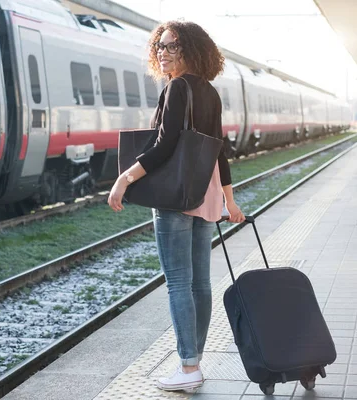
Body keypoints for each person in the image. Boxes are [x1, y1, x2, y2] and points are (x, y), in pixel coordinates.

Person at [107, 21, 245, 391]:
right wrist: (229, 200)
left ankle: (188, 368)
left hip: (174, 197)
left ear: (191, 51)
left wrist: (125, 178)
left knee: (179, 283)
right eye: (160, 48)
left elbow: (165, 146)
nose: (163, 54)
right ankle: (193, 362)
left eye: (172, 47)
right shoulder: (211, 93)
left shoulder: (176, 88)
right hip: (205, 195)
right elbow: (220, 150)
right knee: (200, 283)